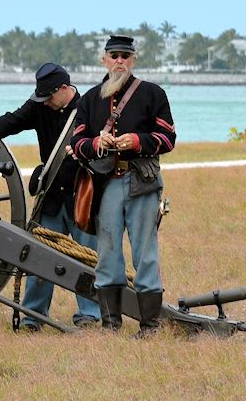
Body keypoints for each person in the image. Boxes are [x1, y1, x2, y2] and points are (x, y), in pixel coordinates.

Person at [0, 62, 101, 331]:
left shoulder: (88, 110)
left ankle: (90, 316)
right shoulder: (39, 106)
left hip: (81, 196)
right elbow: (11, 121)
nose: (45, 102)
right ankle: (33, 317)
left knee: (88, 258)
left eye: (49, 96)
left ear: (63, 89)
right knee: (39, 258)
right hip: (51, 197)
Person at [69, 35, 176, 336]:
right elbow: (76, 144)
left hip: (141, 182)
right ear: (104, 60)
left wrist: (139, 141)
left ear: (133, 60)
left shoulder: (153, 94)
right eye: (114, 55)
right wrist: (95, 142)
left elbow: (168, 139)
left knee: (145, 254)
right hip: (107, 185)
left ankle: (149, 326)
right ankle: (111, 324)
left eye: (125, 56)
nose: (120, 61)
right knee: (108, 254)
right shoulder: (90, 99)